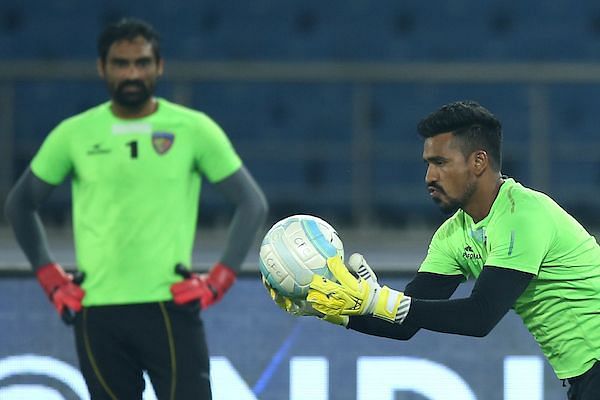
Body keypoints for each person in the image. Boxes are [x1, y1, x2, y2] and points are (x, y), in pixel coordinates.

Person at [5, 17, 268, 399]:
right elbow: (20, 204)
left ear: (159, 67)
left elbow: (251, 203)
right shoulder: (74, 134)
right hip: (97, 311)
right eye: (121, 63)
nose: (132, 73)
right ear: (102, 67)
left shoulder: (192, 129)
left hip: (170, 306)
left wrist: (218, 281)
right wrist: (51, 280)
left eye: (142, 62)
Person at [269, 100, 600, 400]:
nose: (429, 176)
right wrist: (334, 311)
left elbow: (480, 316)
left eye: (440, 162)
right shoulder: (452, 236)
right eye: (428, 164)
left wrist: (381, 300)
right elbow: (404, 324)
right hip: (584, 377)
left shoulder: (523, 215)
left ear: (478, 162)